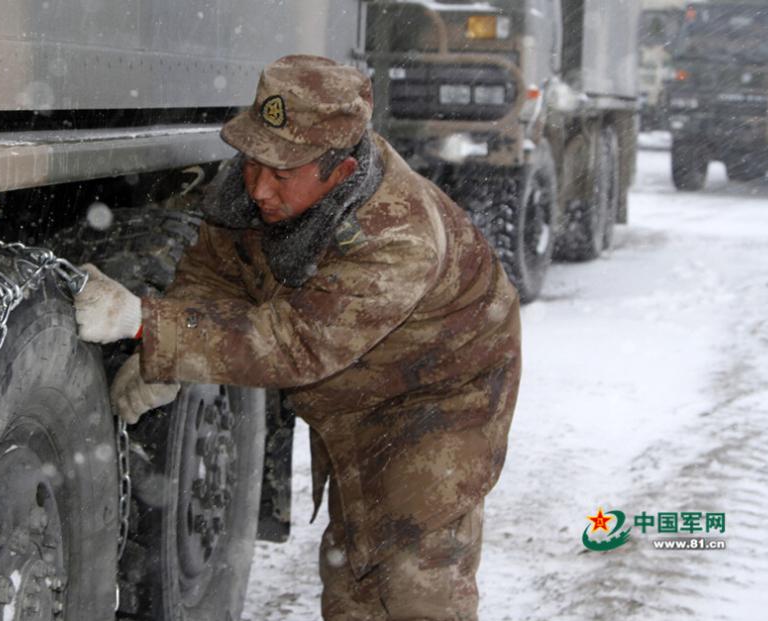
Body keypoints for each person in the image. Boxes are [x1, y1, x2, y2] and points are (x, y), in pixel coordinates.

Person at [73, 54, 521, 621]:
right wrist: (169, 360)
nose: (258, 185)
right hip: (355, 385)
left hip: (440, 394)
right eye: (255, 159)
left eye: (282, 172)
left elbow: (295, 344)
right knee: (352, 567)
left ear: (338, 168)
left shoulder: (398, 236)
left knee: (413, 571)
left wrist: (143, 322)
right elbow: (216, 274)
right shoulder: (258, 181)